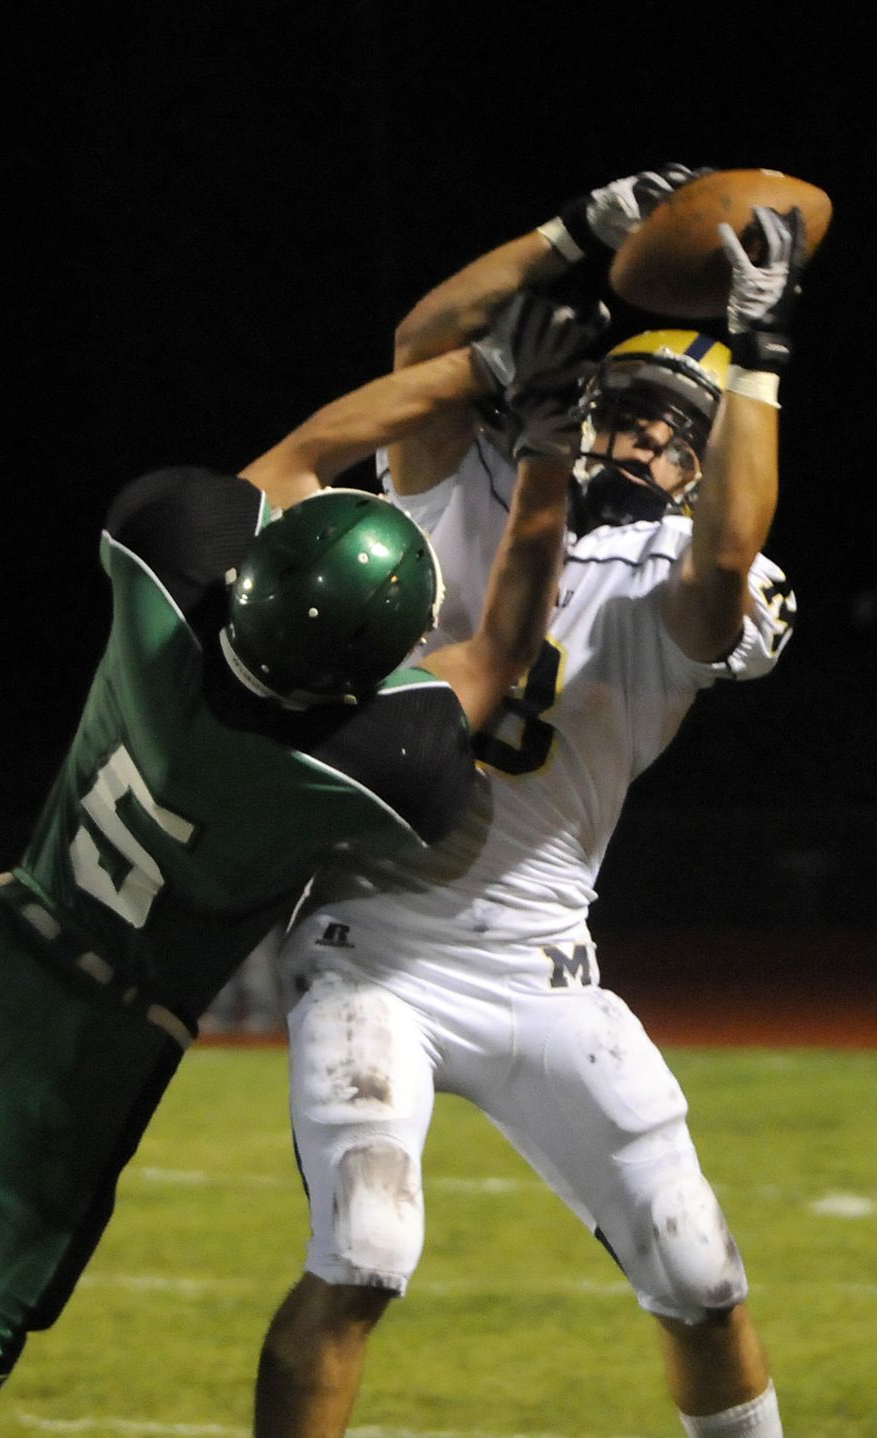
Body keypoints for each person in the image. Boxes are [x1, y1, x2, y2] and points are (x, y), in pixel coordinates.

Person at [0, 298, 598, 1435]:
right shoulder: (367, 763)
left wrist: (480, 368)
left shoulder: (167, 572)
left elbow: (301, 456)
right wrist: (547, 451)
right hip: (92, 1038)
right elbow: (506, 648)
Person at [254, 167, 805, 1438]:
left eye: (682, 432)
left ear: (706, 459)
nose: (647, 442)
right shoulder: (474, 486)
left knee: (699, 1271)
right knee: (367, 1249)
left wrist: (761, 361)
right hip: (372, 949)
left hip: (545, 972)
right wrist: (576, 233)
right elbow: (424, 341)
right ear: (588, 406)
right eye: (632, 414)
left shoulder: (685, 569)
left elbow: (725, 562)